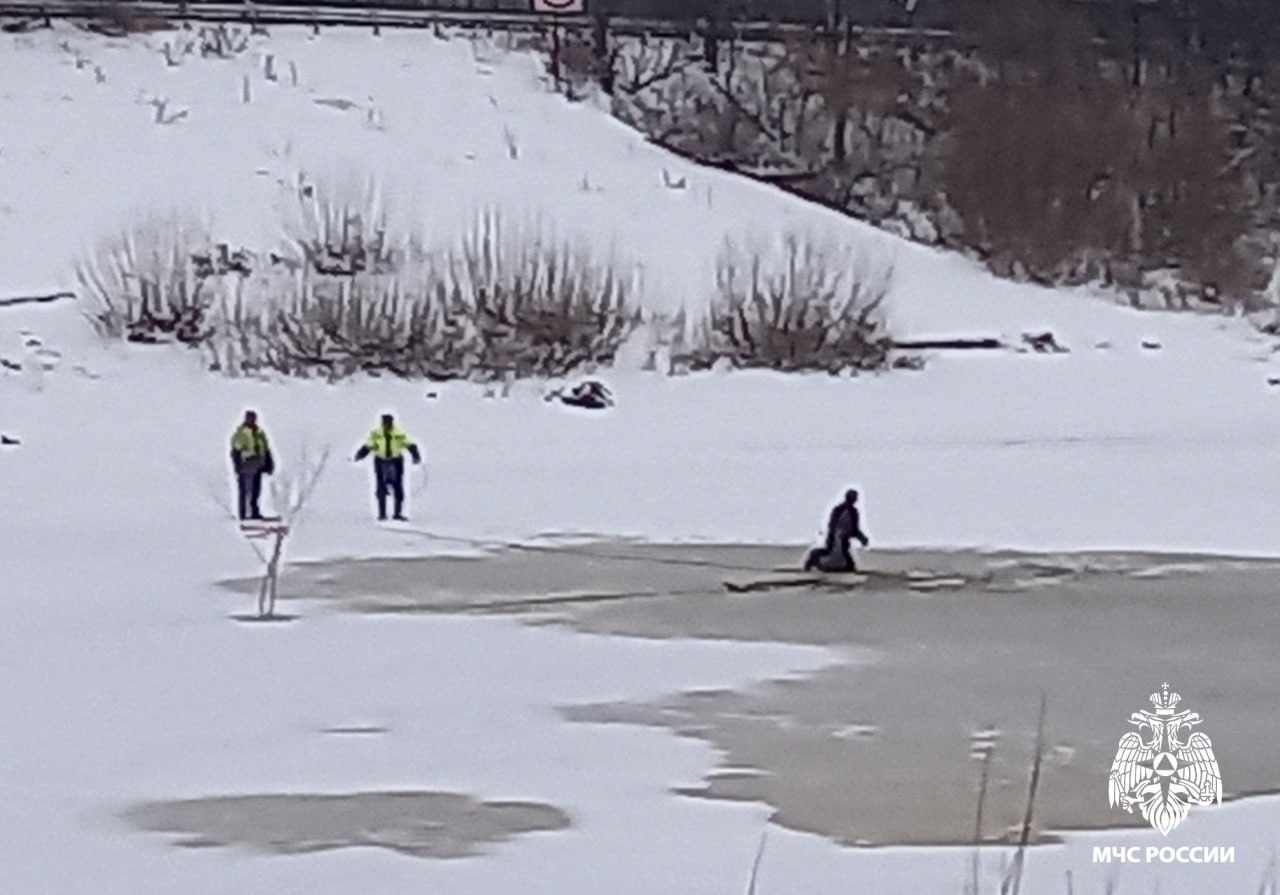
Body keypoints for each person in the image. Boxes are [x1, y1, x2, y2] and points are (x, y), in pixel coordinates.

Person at [354, 413, 422, 521]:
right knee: (381, 486)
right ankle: (382, 513)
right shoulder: (376, 433)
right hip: (380, 460)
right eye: (385, 422)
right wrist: (360, 455)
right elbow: (369, 446)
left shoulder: (399, 433)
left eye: (389, 423)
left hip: (396, 461)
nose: (387, 425)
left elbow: (410, 444)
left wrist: (415, 456)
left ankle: (397, 513)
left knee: (397, 486)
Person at [804, 488, 869, 572]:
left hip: (843, 539)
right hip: (835, 537)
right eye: (853, 498)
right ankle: (813, 559)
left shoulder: (852, 512)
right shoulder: (840, 509)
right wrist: (834, 534)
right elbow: (833, 524)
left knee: (846, 558)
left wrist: (862, 538)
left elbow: (854, 529)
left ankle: (846, 568)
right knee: (829, 551)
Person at [229, 410, 274, 521]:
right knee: (245, 489)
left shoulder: (259, 432)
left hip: (258, 463)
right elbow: (236, 450)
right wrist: (237, 465)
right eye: (249, 418)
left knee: (256, 489)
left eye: (253, 418)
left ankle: (254, 512)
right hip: (246, 463)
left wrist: (269, 463)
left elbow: (266, 448)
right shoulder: (241, 433)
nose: (252, 420)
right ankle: (243, 514)